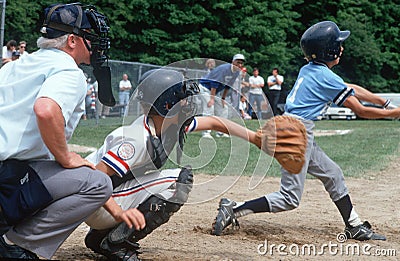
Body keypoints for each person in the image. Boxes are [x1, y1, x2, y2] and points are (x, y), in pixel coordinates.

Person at [211, 20, 400, 241]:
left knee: (333, 174)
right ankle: (234, 209)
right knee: (290, 197)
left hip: (294, 127)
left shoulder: (312, 69)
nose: (342, 48)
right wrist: (393, 114)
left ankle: (354, 225)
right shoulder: (325, 76)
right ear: (329, 50)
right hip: (295, 133)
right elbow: (359, 110)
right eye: (338, 44)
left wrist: (384, 103)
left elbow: (350, 89)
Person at [0, 4, 141, 260]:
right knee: (98, 183)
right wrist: (65, 157)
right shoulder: (67, 70)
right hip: (9, 177)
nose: (96, 45)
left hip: (8, 173)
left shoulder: (15, 66)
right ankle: (15, 244)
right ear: (73, 40)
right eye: (90, 38)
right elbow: (45, 109)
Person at [83, 68, 263, 260]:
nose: (187, 102)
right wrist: (116, 212)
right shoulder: (137, 139)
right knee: (178, 181)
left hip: (103, 201)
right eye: (182, 98)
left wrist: (254, 138)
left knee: (169, 180)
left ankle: (101, 238)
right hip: (96, 203)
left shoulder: (167, 124)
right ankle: (114, 244)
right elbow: (93, 181)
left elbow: (213, 122)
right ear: (167, 105)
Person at [198, 54, 246, 138]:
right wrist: (212, 99)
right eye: (238, 62)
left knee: (224, 108)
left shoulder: (237, 72)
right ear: (233, 62)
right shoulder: (224, 69)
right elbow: (214, 83)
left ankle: (220, 132)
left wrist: (223, 99)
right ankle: (206, 132)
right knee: (209, 107)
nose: (240, 65)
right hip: (205, 88)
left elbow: (228, 86)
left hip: (214, 91)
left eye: (241, 63)